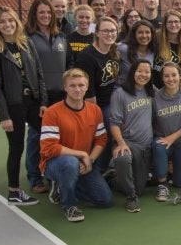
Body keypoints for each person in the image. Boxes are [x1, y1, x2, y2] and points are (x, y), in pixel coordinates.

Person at [0, 6, 47, 204]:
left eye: (10, 20)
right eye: (2, 22)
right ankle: (14, 191)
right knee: (16, 147)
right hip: (14, 105)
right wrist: (4, 116)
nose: (7, 25)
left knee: (49, 137)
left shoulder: (26, 43)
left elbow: (39, 74)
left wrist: (43, 102)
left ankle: (54, 178)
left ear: (16, 22)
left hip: (34, 102)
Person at [40, 68, 113, 222]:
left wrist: (90, 160)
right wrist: (82, 154)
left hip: (83, 163)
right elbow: (50, 147)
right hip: (56, 162)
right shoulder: (52, 113)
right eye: (72, 85)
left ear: (87, 87)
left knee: (105, 200)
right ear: (65, 88)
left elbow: (102, 139)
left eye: (81, 85)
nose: (77, 89)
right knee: (70, 163)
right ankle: (69, 205)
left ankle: (64, 185)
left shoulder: (95, 110)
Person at [25, 0, 73, 190]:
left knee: (59, 138)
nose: (45, 16)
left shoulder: (61, 37)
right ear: (34, 15)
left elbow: (69, 63)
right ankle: (35, 178)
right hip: (39, 99)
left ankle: (53, 175)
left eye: (48, 12)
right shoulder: (28, 38)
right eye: (41, 12)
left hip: (61, 96)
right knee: (37, 138)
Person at [75, 16, 120, 173]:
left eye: (113, 31)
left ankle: (106, 164)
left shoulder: (113, 52)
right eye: (106, 31)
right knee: (107, 133)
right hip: (96, 105)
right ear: (97, 33)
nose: (109, 34)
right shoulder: (87, 56)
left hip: (111, 101)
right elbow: (89, 94)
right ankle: (98, 169)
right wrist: (97, 118)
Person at [108, 59, 154, 212]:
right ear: (132, 72)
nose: (143, 75)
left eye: (147, 72)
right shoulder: (120, 94)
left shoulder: (151, 91)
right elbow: (114, 123)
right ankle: (130, 196)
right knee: (123, 156)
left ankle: (114, 179)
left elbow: (170, 90)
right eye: (139, 71)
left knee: (140, 189)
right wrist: (120, 143)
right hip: (127, 142)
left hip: (145, 147)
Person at [152, 61, 181, 201]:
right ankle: (162, 184)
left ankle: (171, 171)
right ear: (162, 78)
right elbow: (151, 121)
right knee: (158, 146)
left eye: (174, 75)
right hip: (163, 139)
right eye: (166, 76)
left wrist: (173, 137)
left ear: (180, 76)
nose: (170, 79)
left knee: (180, 183)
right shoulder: (155, 97)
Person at [118, 19, 156, 85]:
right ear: (134, 34)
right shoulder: (123, 49)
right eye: (140, 32)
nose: (144, 36)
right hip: (123, 90)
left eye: (147, 32)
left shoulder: (152, 51)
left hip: (142, 92)